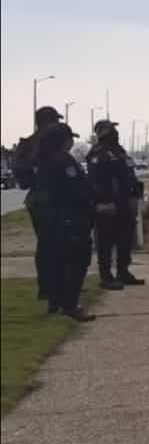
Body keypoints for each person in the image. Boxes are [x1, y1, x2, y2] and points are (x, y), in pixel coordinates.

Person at [35, 124, 96, 321]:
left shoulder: (45, 161)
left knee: (56, 263)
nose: (71, 142)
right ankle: (70, 305)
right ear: (63, 140)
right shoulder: (62, 162)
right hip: (70, 220)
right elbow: (74, 190)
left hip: (54, 221)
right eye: (69, 138)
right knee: (77, 262)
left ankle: (56, 302)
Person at [12, 106, 66, 303]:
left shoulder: (28, 144)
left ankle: (52, 287)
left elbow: (22, 178)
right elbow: (24, 177)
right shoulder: (38, 144)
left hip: (41, 199)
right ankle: (51, 288)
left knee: (48, 244)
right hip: (47, 200)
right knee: (53, 244)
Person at [87, 120, 145, 290]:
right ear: (104, 133)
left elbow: (128, 175)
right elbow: (96, 181)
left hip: (124, 203)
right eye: (112, 130)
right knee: (105, 241)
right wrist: (103, 202)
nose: (116, 133)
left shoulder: (119, 151)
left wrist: (135, 195)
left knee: (124, 239)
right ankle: (106, 276)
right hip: (108, 204)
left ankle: (123, 272)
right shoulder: (98, 153)